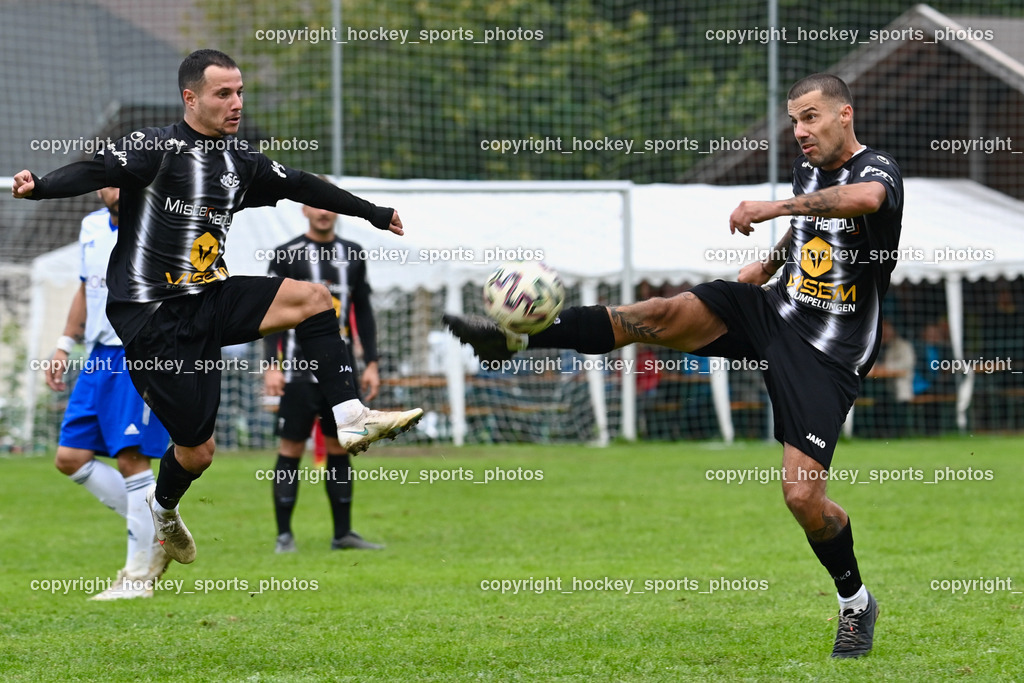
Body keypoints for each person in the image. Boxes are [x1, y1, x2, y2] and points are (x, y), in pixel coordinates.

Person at [445, 73, 901, 659]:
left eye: (810, 117)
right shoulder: (808, 168)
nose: (800, 131)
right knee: (657, 313)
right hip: (772, 311)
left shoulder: (877, 170)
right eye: (793, 120)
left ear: (845, 115)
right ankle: (513, 340)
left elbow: (862, 202)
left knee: (802, 499)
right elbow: (810, 225)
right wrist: (766, 265)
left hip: (828, 352)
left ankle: (855, 603)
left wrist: (768, 206)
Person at [13, 49, 422, 567]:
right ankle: (164, 512)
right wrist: (41, 187)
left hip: (210, 297)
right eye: (223, 93)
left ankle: (350, 415)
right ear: (191, 98)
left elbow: (301, 183)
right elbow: (94, 168)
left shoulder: (240, 162)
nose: (236, 103)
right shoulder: (155, 149)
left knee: (317, 298)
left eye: (240, 92)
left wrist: (374, 213)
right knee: (197, 453)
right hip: (153, 318)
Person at [46, 187, 172, 600]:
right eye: (107, 177)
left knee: (130, 460)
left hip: (137, 351)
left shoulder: (159, 225)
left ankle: (137, 579)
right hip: (99, 355)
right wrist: (65, 343)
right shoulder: (91, 226)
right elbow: (87, 288)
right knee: (70, 458)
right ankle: (159, 526)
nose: (114, 185)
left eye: (125, 177)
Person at [263, 202, 385, 553]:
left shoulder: (353, 254)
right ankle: (284, 536)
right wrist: (271, 363)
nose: (323, 212)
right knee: (291, 448)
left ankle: (343, 534)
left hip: (341, 371)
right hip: (297, 371)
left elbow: (363, 309)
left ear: (336, 211)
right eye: (316, 205)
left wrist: (372, 362)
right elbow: (270, 311)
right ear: (304, 211)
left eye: (329, 206)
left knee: (339, 446)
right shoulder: (287, 255)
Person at [864, 320, 915, 436]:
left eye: (887, 330)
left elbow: (906, 365)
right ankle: (875, 433)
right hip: (876, 386)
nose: (885, 333)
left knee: (890, 399)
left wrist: (884, 368)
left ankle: (897, 433)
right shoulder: (872, 345)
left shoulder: (903, 346)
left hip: (898, 385)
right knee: (879, 397)